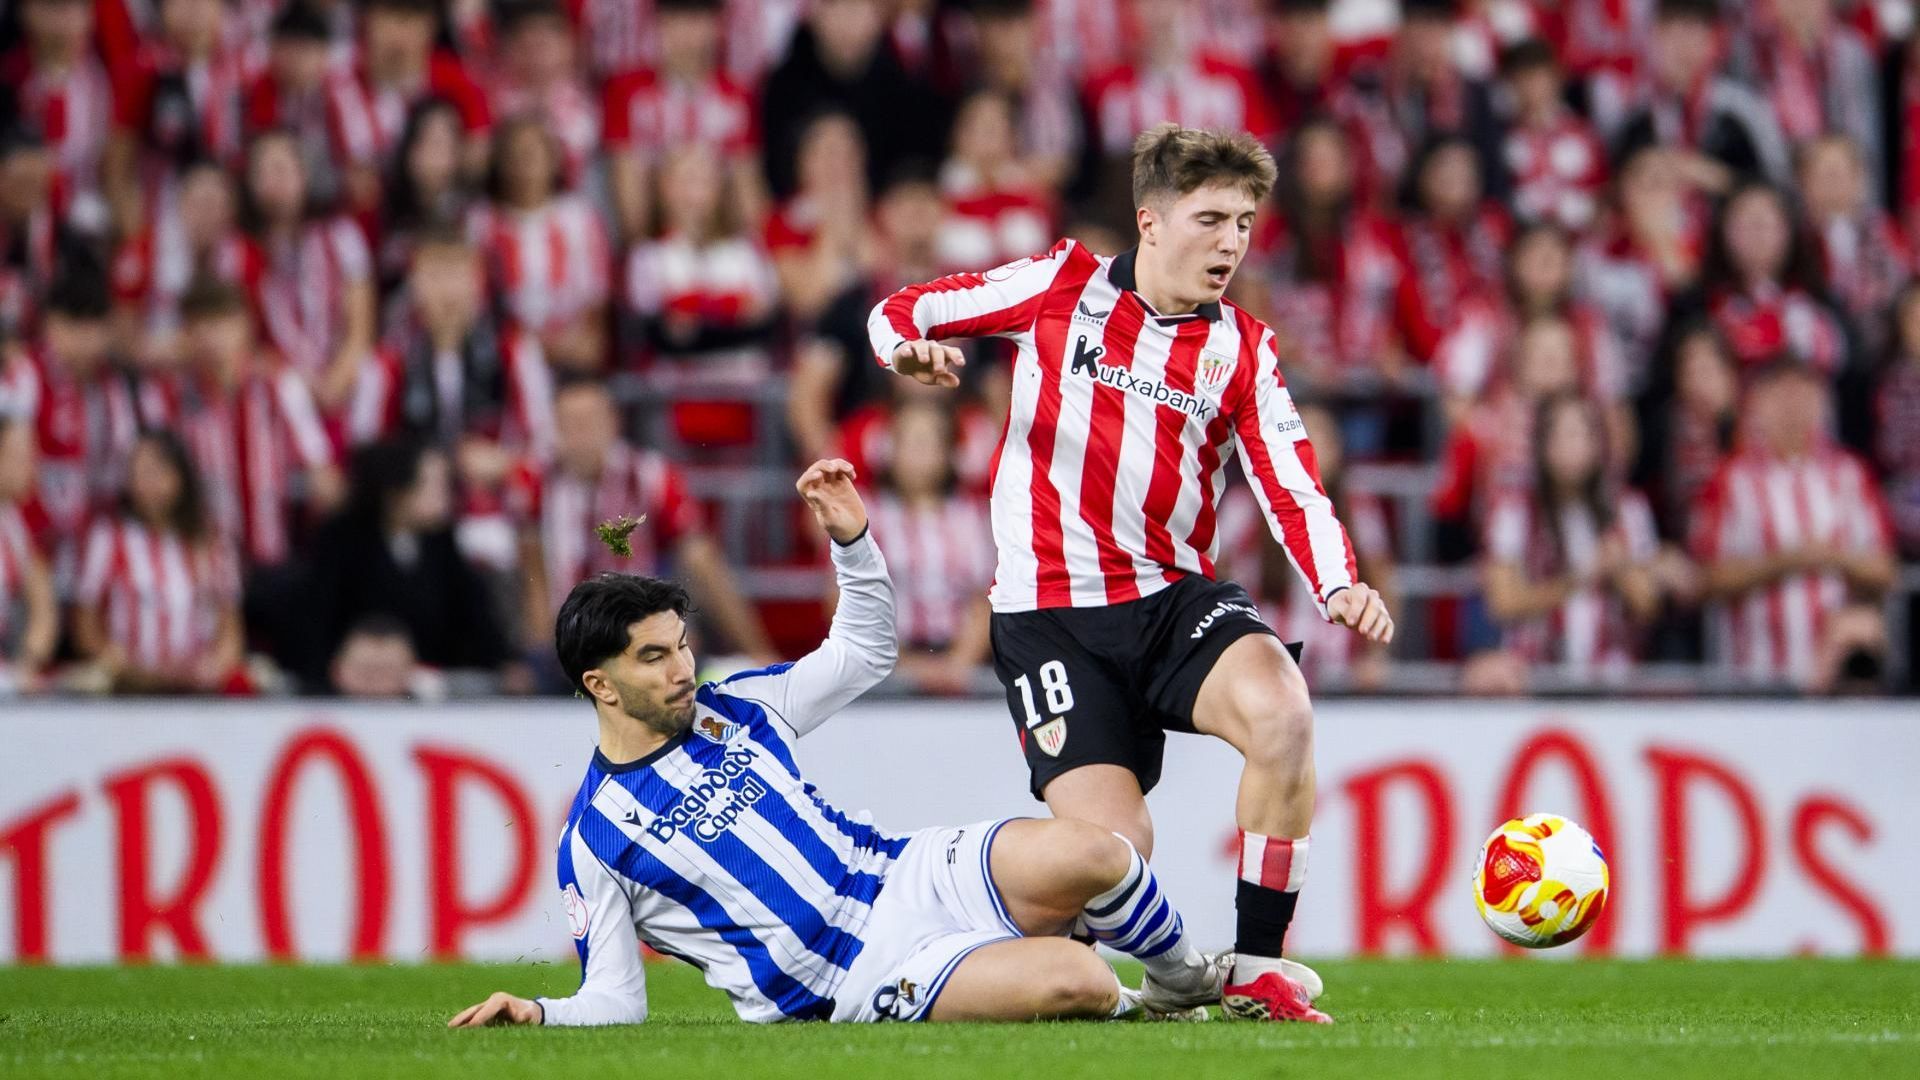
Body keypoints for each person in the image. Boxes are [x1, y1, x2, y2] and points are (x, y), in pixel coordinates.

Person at [866, 124, 1390, 1022]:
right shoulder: (1058, 285)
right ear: (1149, 222)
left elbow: (1290, 482)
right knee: (1111, 847)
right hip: (1050, 615)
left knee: (1283, 709)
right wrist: (906, 352)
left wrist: (1338, 580)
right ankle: (1082, 960)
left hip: (1171, 601)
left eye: (1245, 221)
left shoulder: (1244, 349)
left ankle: (1258, 967)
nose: (1231, 241)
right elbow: (900, 309)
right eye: (1211, 218)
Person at [449, 459, 1271, 1027]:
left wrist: (854, 544)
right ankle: (1105, 993)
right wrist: (540, 1009)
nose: (681, 669)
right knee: (1082, 980)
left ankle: (1187, 984)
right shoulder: (595, 838)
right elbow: (616, 1000)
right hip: (849, 977)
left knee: (1099, 850)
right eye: (654, 657)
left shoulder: (737, 706)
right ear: (600, 684)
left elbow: (862, 653)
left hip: (901, 871)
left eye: (682, 646)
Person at [511, 379, 776, 669]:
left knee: (697, 559)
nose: (580, 435)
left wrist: (757, 650)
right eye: (570, 424)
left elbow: (701, 559)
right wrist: (541, 646)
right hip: (568, 635)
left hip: (639, 632)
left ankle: (743, 657)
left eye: (589, 422)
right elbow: (532, 569)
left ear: (613, 423)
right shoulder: (537, 479)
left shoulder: (651, 476)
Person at [1692, 359, 1896, 691]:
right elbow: (1708, 576)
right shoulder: (1732, 479)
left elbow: (1886, 569)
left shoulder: (1850, 474)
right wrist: (1786, 562)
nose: (1793, 408)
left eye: (1803, 395)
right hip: (1754, 680)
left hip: (1839, 686)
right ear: (1759, 404)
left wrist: (1833, 558)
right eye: (1782, 397)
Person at [1480, 393, 1665, 689]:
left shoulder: (1628, 509)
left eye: (1581, 432)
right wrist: (1579, 578)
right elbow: (1502, 601)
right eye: (1562, 433)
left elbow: (1648, 604)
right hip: (1534, 676)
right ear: (1542, 444)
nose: (1571, 444)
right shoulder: (1516, 510)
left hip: (1611, 680)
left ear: (1598, 443)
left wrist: (1620, 569)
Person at [72, 429, 246, 694]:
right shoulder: (108, 539)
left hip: (198, 694)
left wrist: (215, 666)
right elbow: (85, 625)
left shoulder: (212, 543)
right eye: (135, 472)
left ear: (178, 477)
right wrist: (121, 664)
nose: (141, 483)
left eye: (152, 472)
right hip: (126, 692)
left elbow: (230, 627)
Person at [862, 400, 994, 695]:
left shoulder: (971, 517)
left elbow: (985, 599)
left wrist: (958, 665)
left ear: (950, 453)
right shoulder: (866, 516)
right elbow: (846, 598)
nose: (918, 452)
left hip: (962, 667)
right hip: (883, 668)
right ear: (888, 450)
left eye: (929, 441)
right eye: (909, 441)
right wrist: (903, 666)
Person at [0, 414, 57, 692]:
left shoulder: (14, 523)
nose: (33, 468)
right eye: (22, 457)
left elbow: (43, 606)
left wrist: (28, 662)